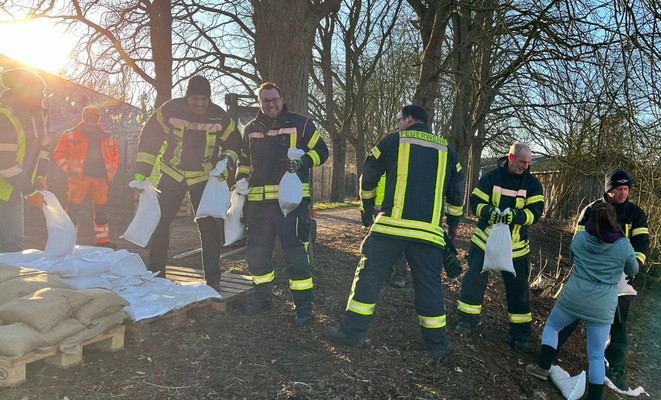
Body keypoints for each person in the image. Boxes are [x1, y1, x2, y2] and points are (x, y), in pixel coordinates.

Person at [324, 104, 464, 360]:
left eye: (400, 119)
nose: (398, 124)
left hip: (389, 228)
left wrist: (367, 209)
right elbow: (456, 193)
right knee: (429, 288)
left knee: (368, 277)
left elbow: (368, 175)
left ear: (409, 119)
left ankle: (353, 333)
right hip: (428, 234)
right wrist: (453, 225)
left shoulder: (392, 141)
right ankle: (437, 347)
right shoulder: (448, 150)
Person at [131, 75, 242, 291]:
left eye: (204, 99)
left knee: (209, 226)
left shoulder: (220, 116)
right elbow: (150, 139)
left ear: (209, 99)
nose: (199, 103)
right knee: (160, 221)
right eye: (195, 99)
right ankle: (156, 271)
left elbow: (234, 144)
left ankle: (213, 279)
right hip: (173, 174)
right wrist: (141, 172)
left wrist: (226, 163)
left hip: (204, 177)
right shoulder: (169, 110)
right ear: (187, 97)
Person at [238, 82, 329, 326]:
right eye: (265, 100)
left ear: (282, 99)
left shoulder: (302, 123)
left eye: (275, 99)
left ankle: (304, 308)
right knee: (257, 254)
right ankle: (262, 299)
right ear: (259, 102)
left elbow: (322, 151)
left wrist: (303, 162)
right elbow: (243, 160)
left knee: (295, 255)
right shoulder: (249, 129)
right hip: (258, 205)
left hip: (291, 205)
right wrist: (240, 178)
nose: (271, 104)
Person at [526, 202, 638, 400]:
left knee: (552, 326)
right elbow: (633, 270)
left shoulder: (581, 237)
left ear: (592, 219)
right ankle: (595, 397)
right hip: (602, 305)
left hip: (574, 297)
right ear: (614, 220)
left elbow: (572, 256)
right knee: (595, 354)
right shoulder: (623, 244)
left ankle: (542, 367)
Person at [558, 168, 649, 390]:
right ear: (608, 190)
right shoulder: (591, 211)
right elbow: (578, 243)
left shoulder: (636, 214)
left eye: (626, 189)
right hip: (589, 277)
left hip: (622, 280)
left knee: (618, 324)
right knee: (573, 313)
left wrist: (632, 269)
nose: (623, 193)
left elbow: (642, 245)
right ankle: (550, 352)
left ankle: (615, 369)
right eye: (619, 189)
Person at [454, 142, 544, 353]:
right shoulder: (491, 178)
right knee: (473, 283)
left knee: (519, 292)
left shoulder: (532, 184)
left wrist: (518, 216)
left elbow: (536, 212)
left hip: (516, 248)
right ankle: (466, 321)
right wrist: (488, 212)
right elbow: (475, 202)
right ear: (510, 158)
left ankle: (520, 334)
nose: (526, 166)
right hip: (484, 242)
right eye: (522, 162)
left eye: (529, 162)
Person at [0, 68, 51, 253]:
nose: (41, 97)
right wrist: (29, 192)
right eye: (38, 92)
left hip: (14, 186)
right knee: (12, 243)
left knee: (12, 242)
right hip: (5, 185)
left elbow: (44, 147)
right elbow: (4, 164)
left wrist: (40, 175)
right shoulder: (4, 116)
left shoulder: (38, 116)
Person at [53, 106, 119, 248]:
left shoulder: (108, 136)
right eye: (89, 115)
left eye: (95, 115)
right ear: (83, 116)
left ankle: (103, 241)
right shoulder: (70, 134)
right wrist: (68, 171)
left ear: (99, 117)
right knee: (73, 210)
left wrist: (110, 174)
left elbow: (114, 157)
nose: (92, 118)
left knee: (101, 211)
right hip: (78, 179)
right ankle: (68, 240)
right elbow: (59, 153)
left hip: (101, 179)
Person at [360, 171, 409, 289]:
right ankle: (384, 273)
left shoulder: (400, 161)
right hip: (376, 211)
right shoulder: (376, 161)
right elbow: (365, 184)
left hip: (396, 210)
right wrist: (364, 209)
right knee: (378, 244)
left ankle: (400, 275)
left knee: (397, 242)